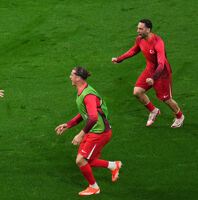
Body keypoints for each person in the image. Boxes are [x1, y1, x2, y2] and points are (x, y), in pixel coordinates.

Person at [55, 67, 121, 196]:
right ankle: (113, 165)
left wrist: (80, 135)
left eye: (72, 75)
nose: (70, 77)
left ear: (78, 78)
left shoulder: (88, 95)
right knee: (86, 160)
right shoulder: (83, 91)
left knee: (80, 160)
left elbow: (93, 117)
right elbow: (84, 114)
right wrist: (68, 125)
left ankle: (94, 187)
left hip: (99, 133)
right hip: (94, 131)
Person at [112, 19, 184, 128]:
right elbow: (133, 50)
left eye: (141, 29)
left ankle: (179, 116)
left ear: (148, 29)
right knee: (137, 92)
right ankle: (153, 111)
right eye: (138, 28)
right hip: (149, 70)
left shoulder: (158, 43)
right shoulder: (140, 39)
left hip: (161, 74)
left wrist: (154, 78)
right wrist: (119, 59)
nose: (138, 31)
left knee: (166, 99)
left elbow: (161, 64)